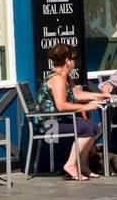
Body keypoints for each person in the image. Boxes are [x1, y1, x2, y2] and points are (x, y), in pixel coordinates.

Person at [36, 43, 109, 179]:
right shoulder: (57, 79)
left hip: (60, 119)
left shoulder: (66, 77)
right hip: (50, 124)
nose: (75, 61)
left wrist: (99, 96)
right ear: (67, 61)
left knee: (93, 126)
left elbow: (77, 94)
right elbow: (61, 106)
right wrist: (84, 107)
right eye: (73, 58)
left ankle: (82, 165)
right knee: (86, 128)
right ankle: (70, 164)